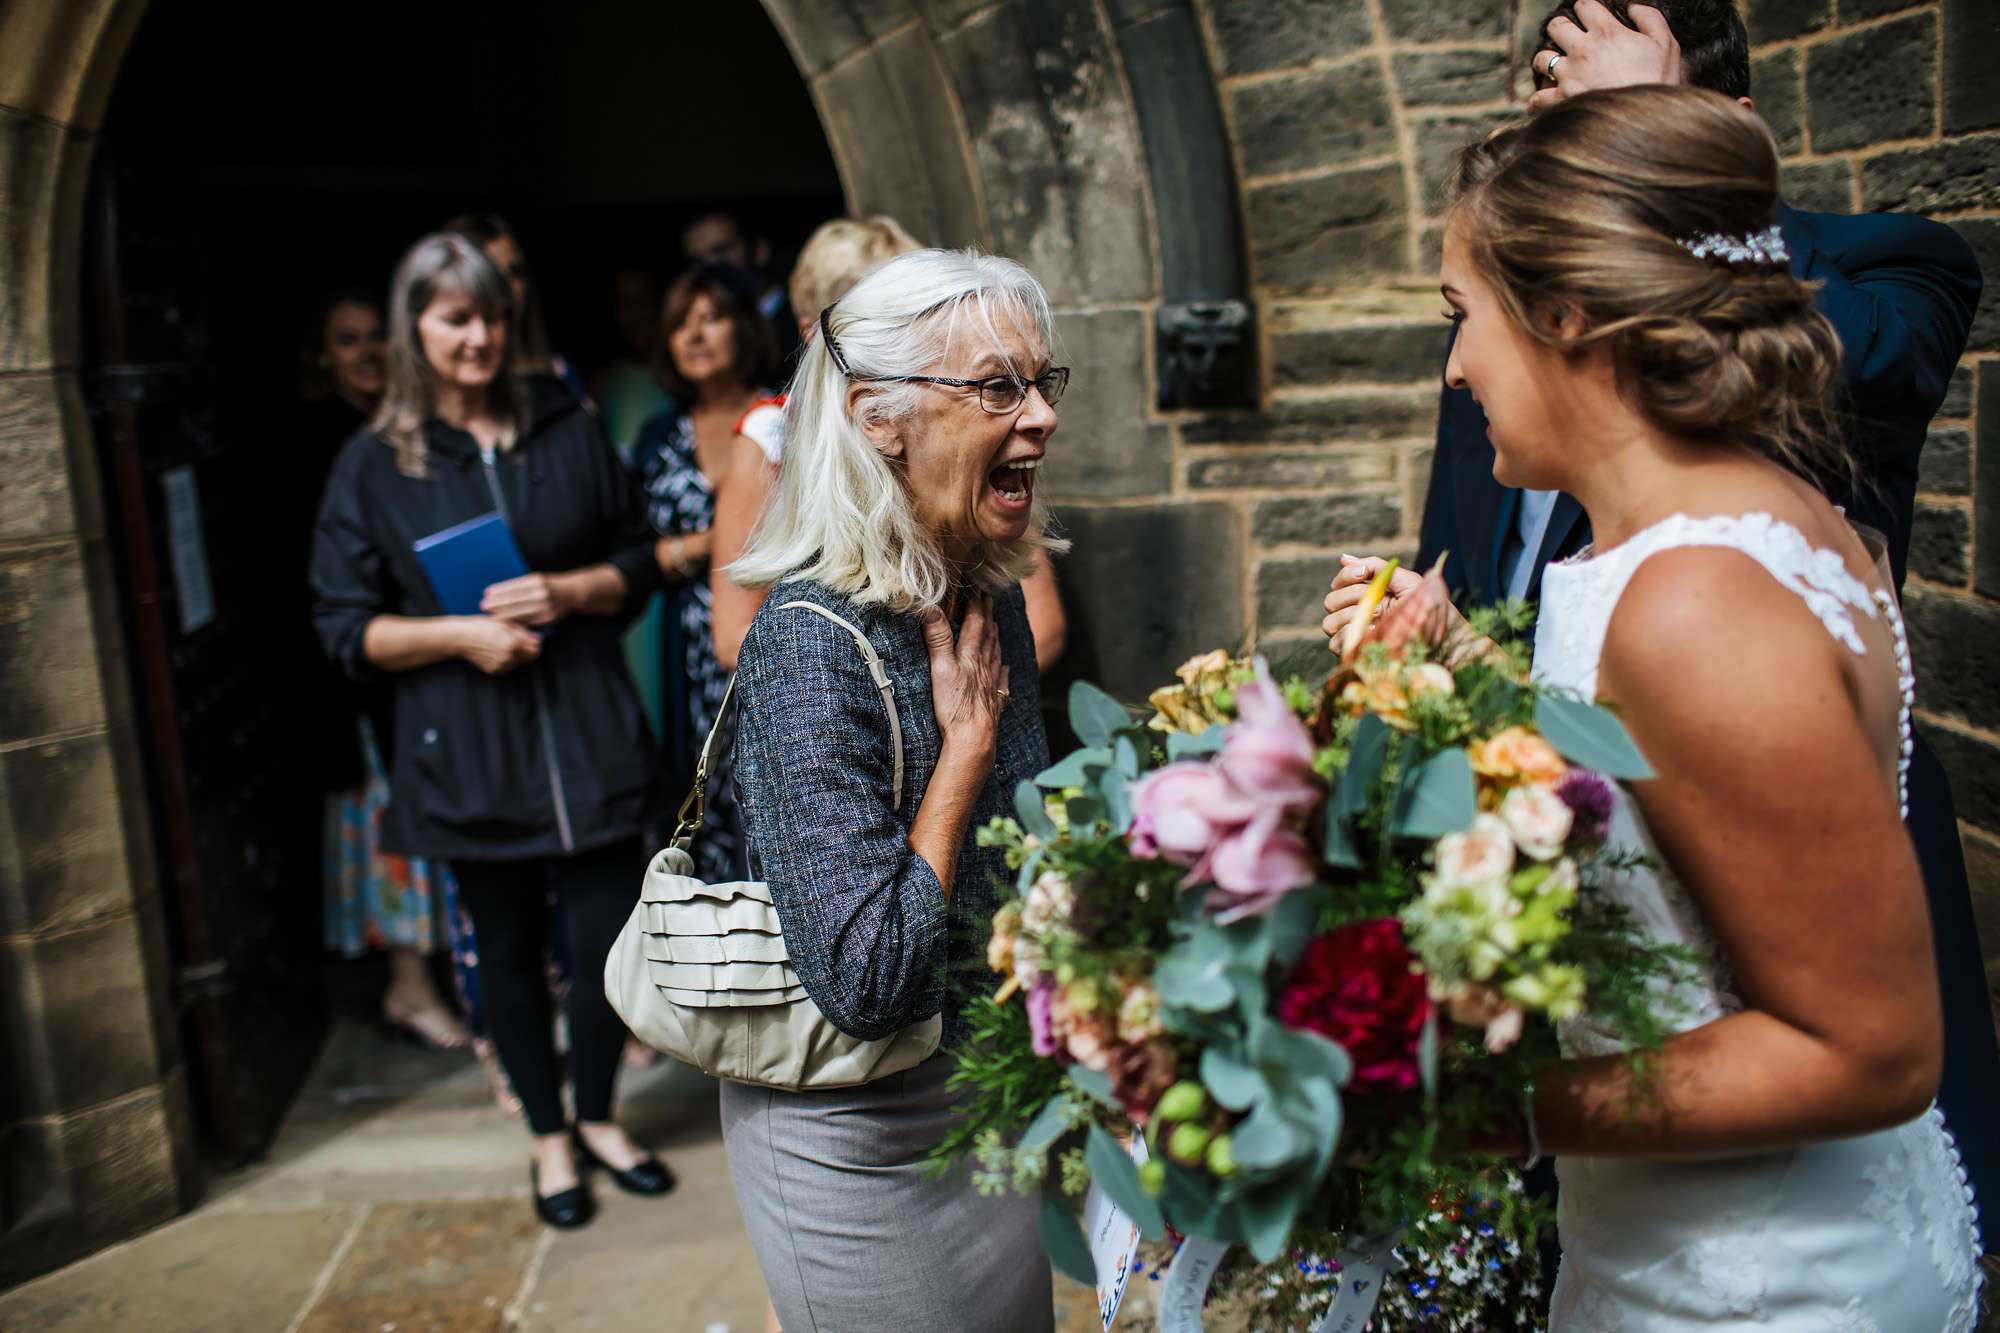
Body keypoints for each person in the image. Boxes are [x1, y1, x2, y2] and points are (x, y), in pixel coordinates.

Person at [1327, 0, 2000, 1253]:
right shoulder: (1657, 552)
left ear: (1572, 302)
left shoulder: (1693, 594)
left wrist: (1459, 1109)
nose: (1453, 372)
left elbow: (1871, 1053)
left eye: (1457, 317)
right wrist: (1468, 671)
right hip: (1666, 1221)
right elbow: (1638, 786)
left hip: (1760, 1267)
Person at [722, 248, 1068, 1332]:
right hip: (853, 1141)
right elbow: (865, 979)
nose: (1042, 417)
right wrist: (960, 758)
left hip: (982, 1103)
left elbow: (1018, 860)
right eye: (998, 387)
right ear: (878, 416)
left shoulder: (984, 591)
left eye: (1045, 382)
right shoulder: (802, 644)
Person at [311, 232, 672, 1230]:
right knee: (505, 954)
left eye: (490, 317)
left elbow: (640, 556)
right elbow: (344, 628)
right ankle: (548, 1136)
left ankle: (598, 1113)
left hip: (590, 731)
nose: (477, 337)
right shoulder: (374, 464)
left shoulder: (564, 421)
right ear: (414, 328)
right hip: (465, 748)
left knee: (606, 948)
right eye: (454, 319)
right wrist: (457, 635)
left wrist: (570, 589)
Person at [708, 215, 1068, 675]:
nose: (1043, 416)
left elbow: (1044, 621)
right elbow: (738, 633)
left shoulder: (988, 571)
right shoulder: (807, 637)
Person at [294, 291, 469, 1049]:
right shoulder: (320, 442)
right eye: (346, 339)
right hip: (366, 676)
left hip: (435, 661)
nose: (364, 353)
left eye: (375, 338)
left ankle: (441, 976)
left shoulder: (415, 430)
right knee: (385, 824)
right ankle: (408, 980)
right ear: (323, 354)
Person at [631, 261, 775, 879]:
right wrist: (713, 543)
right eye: (680, 325)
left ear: (744, 328)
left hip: (766, 626)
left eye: (712, 319)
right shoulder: (659, 436)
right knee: (697, 794)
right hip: (687, 642)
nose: (694, 336)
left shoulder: (781, 421)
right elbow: (634, 552)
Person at [444, 212, 591, 405]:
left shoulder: (557, 372)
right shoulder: (436, 386)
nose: (509, 287)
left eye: (516, 272)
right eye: (492, 273)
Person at [682, 209, 801, 369]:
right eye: (698, 261)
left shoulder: (802, 316)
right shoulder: (703, 340)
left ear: (759, 250)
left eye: (721, 251)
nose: (711, 266)